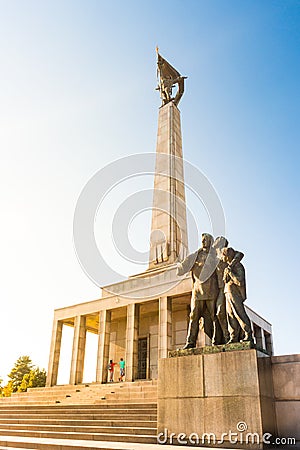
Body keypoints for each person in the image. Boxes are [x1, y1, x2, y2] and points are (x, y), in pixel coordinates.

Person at [177, 233, 219, 349]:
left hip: (212, 291)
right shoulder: (195, 256)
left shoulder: (215, 256)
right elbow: (181, 270)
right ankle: (190, 342)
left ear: (211, 241)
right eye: (202, 240)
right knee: (193, 316)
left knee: (214, 317)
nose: (204, 242)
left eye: (206, 240)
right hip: (198, 292)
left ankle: (217, 341)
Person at [212, 237, 244, 344]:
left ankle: (230, 335)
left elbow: (240, 254)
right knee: (218, 313)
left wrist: (230, 266)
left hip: (227, 286)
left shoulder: (225, 253)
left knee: (225, 311)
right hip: (217, 289)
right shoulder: (212, 257)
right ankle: (225, 335)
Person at [222, 247, 253, 344]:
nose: (223, 258)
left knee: (239, 313)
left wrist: (230, 272)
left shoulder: (238, 266)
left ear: (228, 256)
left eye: (224, 256)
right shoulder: (228, 267)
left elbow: (240, 281)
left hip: (235, 292)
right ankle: (233, 336)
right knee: (230, 315)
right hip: (227, 292)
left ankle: (248, 334)